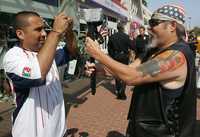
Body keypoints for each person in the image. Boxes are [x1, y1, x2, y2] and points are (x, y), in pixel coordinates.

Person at [85, 4, 196, 137]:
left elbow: (132, 77)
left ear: (172, 26)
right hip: (141, 128)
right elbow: (131, 69)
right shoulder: (154, 49)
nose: (149, 28)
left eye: (154, 23)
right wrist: (100, 69)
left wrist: (99, 55)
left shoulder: (176, 57)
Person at [3, 11, 77, 137]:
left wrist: (68, 31)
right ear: (20, 34)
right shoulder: (13, 57)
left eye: (44, 29)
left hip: (59, 131)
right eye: (38, 29)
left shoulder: (47, 51)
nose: (44, 34)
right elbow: (38, 74)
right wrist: (56, 32)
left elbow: (71, 50)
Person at [107, 22, 132, 100]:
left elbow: (109, 48)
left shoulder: (112, 36)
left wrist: (112, 56)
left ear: (117, 28)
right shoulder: (126, 36)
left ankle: (118, 90)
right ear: (123, 28)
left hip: (116, 57)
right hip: (124, 57)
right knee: (124, 74)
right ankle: (122, 91)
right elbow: (132, 46)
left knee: (117, 74)